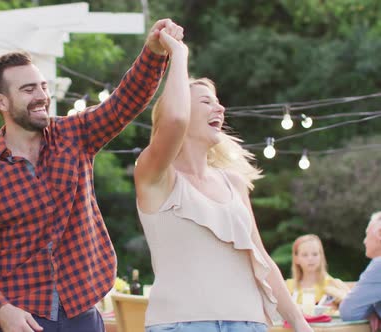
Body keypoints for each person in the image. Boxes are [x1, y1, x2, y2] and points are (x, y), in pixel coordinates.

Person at [0, 19, 183, 332]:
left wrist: (153, 52)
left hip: (81, 311)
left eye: (43, 86)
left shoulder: (73, 135)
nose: (41, 96)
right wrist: (2, 310)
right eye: (28, 89)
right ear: (1, 101)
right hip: (21, 317)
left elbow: (125, 101)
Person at [132, 34, 313, 331]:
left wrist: (298, 322)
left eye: (219, 103)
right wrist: (178, 52)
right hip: (183, 325)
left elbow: (261, 258)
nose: (220, 109)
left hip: (249, 323)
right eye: (206, 102)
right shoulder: (156, 176)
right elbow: (175, 119)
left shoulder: (233, 182)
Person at [339, 211, 381, 330]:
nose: (364, 241)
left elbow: (349, 311)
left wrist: (369, 311)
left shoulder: (379, 265)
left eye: (367, 234)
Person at [286, 234, 347, 309]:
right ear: (296, 258)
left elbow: (351, 304)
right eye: (305, 255)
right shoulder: (288, 287)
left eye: (315, 254)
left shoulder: (333, 284)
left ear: (321, 256)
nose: (310, 258)